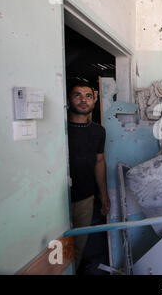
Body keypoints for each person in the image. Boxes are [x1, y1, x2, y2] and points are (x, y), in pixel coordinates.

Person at [66, 81, 111, 271]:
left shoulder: (98, 131)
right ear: (68, 100)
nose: (83, 100)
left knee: (78, 246)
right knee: (57, 246)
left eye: (88, 96)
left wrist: (103, 195)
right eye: (77, 95)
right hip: (56, 200)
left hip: (85, 197)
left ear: (94, 101)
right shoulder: (59, 130)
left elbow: (99, 162)